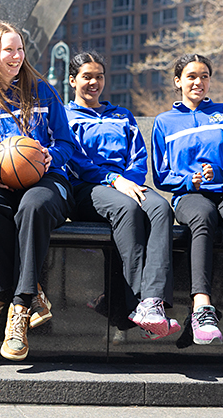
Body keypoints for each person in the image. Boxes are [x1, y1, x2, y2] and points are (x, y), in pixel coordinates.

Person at [0, 21, 75, 361]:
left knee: (33, 206)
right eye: (9, 50)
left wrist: (52, 156)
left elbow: (66, 142)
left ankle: (17, 308)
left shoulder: (43, 91)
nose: (17, 56)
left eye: (20, 49)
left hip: (45, 180)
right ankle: (23, 291)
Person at [151, 54, 223, 368]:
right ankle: (201, 308)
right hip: (190, 194)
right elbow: (161, 175)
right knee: (202, 218)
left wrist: (218, 171)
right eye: (190, 76)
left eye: (203, 76)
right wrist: (189, 179)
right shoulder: (164, 123)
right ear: (178, 81)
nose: (197, 82)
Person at [64, 52, 178, 340]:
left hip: (128, 184)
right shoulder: (65, 116)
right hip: (86, 189)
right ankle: (138, 303)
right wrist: (114, 181)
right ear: (72, 80)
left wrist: (128, 180)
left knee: (161, 208)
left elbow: (139, 157)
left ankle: (153, 303)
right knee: (127, 208)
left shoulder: (122, 115)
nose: (94, 82)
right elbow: (75, 161)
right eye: (87, 76)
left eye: (99, 76)